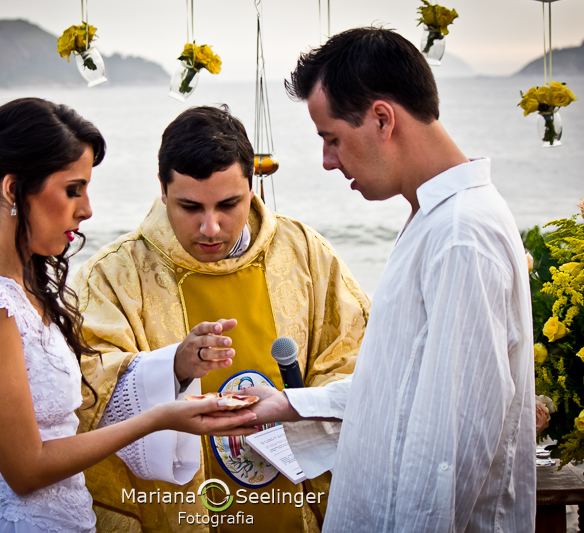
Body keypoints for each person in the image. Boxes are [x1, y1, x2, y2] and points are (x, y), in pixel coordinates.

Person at [238, 28, 537, 532]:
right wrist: (290, 402)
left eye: (332, 138)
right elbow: (403, 390)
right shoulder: (437, 218)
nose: (329, 161)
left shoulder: (461, 234)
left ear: (382, 118)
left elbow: (450, 448)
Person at [0, 98, 257, 533]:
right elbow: (26, 470)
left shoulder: (21, 284)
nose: (87, 209)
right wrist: (158, 417)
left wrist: (176, 363)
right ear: (12, 190)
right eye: (73, 189)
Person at [70, 105, 371, 532]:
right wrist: (171, 366)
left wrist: (299, 408)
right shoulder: (114, 275)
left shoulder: (305, 253)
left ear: (251, 186)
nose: (210, 227)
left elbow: (355, 358)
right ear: (162, 189)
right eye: (190, 206)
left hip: (294, 499)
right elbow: (82, 389)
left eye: (228, 204)